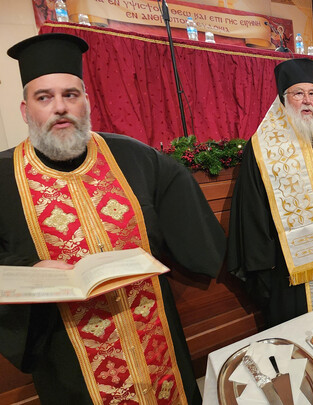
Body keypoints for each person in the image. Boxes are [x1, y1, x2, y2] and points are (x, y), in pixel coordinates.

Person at [0, 33, 226, 404]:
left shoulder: (134, 157)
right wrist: (31, 270)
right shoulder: (3, 177)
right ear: (26, 111)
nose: (60, 107)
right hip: (69, 359)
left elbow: (186, 215)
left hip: (155, 345)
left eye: (70, 94)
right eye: (44, 97)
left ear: (86, 102)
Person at [226, 58, 313, 327]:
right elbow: (253, 210)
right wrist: (265, 265)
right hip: (292, 265)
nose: (307, 101)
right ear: (283, 99)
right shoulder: (262, 147)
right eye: (298, 93)